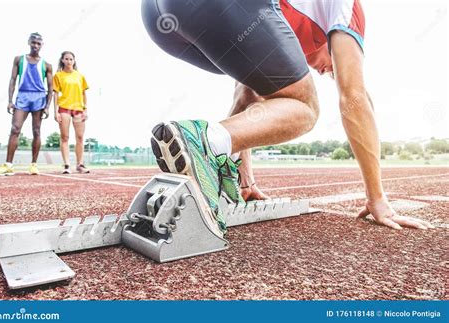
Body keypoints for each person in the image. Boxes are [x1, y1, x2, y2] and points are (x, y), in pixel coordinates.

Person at [142, 0, 433, 238]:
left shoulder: (277, 24)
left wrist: (246, 179)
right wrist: (377, 198)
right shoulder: (347, 9)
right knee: (304, 105)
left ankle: (216, 171)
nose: (325, 72)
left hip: (161, 16)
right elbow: (355, 97)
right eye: (330, 67)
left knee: (265, 88)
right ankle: (202, 141)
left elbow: (246, 99)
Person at [0, 32, 52, 176]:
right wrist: (10, 100)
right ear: (29, 43)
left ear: (42, 45)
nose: (36, 45)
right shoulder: (19, 60)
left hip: (38, 98)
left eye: (38, 43)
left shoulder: (47, 65)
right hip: (23, 96)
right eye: (33, 42)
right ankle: (8, 165)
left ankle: (33, 165)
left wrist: (48, 106)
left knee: (36, 131)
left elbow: (51, 88)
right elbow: (12, 80)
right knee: (15, 129)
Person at [53, 51, 90, 174]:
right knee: (65, 137)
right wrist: (55, 112)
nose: (69, 61)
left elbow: (84, 93)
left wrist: (85, 109)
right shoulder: (58, 76)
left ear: (74, 61)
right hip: (64, 108)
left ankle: (80, 164)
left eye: (71, 59)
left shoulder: (80, 76)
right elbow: (55, 94)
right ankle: (67, 165)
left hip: (78, 109)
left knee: (80, 137)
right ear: (62, 60)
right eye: (66, 59)